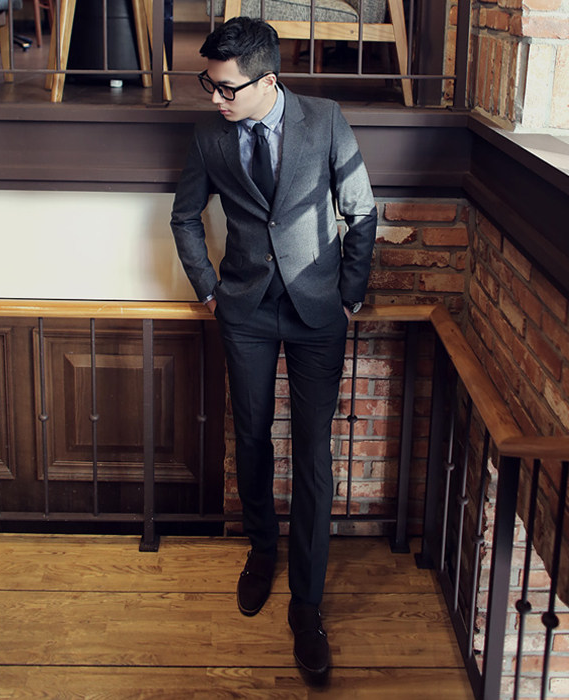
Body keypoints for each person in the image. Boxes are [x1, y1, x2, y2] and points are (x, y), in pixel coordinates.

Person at [171, 16, 377, 676]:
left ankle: (307, 604)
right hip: (246, 311)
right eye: (210, 84)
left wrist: (349, 294)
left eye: (227, 88)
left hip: (318, 312)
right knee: (252, 437)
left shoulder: (326, 119)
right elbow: (185, 215)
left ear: (269, 80)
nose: (216, 98)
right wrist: (209, 289)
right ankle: (262, 551)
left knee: (313, 453)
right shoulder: (210, 135)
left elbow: (360, 209)